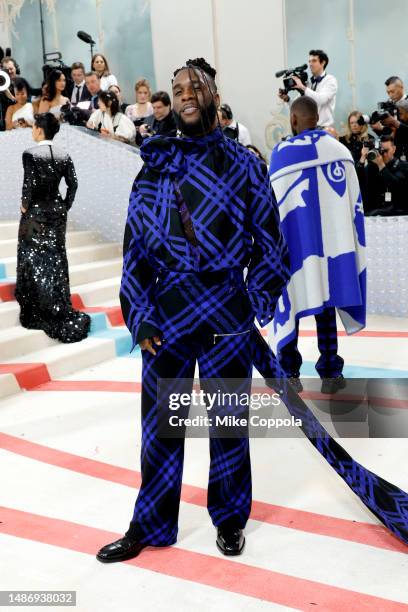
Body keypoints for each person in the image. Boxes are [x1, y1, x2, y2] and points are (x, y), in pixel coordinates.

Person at [96, 57, 290, 563]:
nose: (184, 93)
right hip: (169, 315)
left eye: (194, 87)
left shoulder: (246, 164)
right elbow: (135, 249)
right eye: (177, 87)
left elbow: (270, 243)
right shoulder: (154, 165)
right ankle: (152, 524)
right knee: (162, 426)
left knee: (228, 423)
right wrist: (140, 317)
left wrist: (255, 300)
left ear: (212, 95)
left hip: (227, 310)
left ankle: (229, 519)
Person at [268, 96, 366, 393]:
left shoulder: (281, 155)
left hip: (295, 251)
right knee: (327, 300)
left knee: (293, 299)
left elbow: (273, 208)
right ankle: (331, 371)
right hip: (334, 249)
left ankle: (289, 372)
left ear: (294, 120)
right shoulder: (341, 152)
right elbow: (355, 207)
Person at [15, 113, 91, 342]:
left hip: (36, 212)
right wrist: (65, 205)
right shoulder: (63, 154)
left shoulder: (30, 154)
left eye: (34, 127)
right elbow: (73, 184)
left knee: (31, 254)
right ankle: (56, 302)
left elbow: (29, 184)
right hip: (57, 211)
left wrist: (24, 205)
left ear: (39, 129)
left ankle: (36, 303)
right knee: (56, 257)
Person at [279, 49, 337, 128]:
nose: (310, 64)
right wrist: (287, 99)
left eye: (314, 61)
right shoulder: (309, 84)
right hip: (309, 129)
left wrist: (303, 87)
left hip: (325, 129)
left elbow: (321, 100)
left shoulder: (330, 80)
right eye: (309, 61)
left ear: (323, 62)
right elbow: (298, 107)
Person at [357, 134, 408, 216]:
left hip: (397, 213)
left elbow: (396, 185)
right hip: (374, 212)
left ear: (394, 149)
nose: (383, 154)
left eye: (386, 151)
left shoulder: (403, 166)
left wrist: (381, 165)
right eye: (381, 151)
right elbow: (358, 181)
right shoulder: (372, 167)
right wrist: (363, 157)